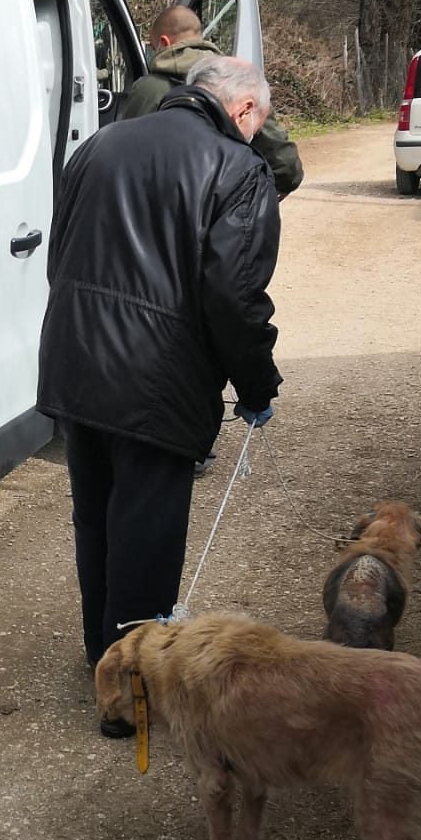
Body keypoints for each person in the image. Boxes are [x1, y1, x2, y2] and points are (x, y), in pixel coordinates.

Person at [37, 56, 282, 672]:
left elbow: (57, 254)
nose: (256, 133)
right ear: (243, 109)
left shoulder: (100, 141)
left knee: (96, 521)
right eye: (260, 121)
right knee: (145, 537)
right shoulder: (238, 168)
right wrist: (256, 384)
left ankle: (106, 661)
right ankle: (133, 689)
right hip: (156, 381)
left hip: (76, 363)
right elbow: (234, 295)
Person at [118, 4, 304, 197]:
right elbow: (287, 168)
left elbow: (126, 160)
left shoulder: (149, 89)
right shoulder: (239, 82)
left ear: (164, 43)